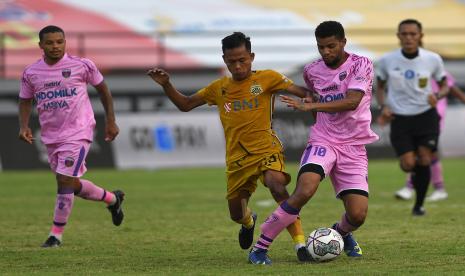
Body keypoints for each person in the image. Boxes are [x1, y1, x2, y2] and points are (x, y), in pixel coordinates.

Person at [147, 32, 311, 261]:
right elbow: (185, 104)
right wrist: (167, 85)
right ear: (224, 60)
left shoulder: (269, 78)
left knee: (277, 186)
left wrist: (311, 102)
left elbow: (304, 92)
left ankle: (300, 245)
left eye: (242, 59)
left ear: (251, 57)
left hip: (266, 150)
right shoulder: (218, 88)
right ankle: (248, 221)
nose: (238, 65)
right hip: (237, 160)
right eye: (232, 61)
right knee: (236, 213)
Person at [248, 20, 378, 265]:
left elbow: (352, 101)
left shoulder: (361, 64)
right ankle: (260, 248)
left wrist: (312, 105)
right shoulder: (312, 70)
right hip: (324, 140)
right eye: (321, 47)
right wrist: (315, 114)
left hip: (353, 147)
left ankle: (341, 233)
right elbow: (312, 96)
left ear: (343, 42)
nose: (326, 52)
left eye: (331, 46)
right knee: (305, 189)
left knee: (358, 215)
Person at [18, 25, 125, 248]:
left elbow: (103, 89)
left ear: (65, 42)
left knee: (64, 181)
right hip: (51, 135)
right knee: (71, 183)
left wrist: (111, 121)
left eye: (59, 41)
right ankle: (113, 199)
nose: (55, 46)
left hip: (79, 131)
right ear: (41, 45)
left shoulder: (82, 65)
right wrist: (24, 126)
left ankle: (55, 236)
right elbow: (25, 100)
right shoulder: (31, 73)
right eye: (50, 42)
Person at [376, 19, 448, 215]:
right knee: (408, 164)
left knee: (425, 158)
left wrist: (438, 95)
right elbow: (380, 86)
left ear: (420, 36)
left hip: (426, 115)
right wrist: (383, 106)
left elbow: (444, 84)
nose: (408, 37)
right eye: (404, 34)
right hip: (400, 118)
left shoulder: (432, 59)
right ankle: (414, 177)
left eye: (412, 34)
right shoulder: (386, 60)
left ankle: (419, 205)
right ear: (398, 36)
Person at [387, 72, 465, 201]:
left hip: (432, 116)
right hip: (414, 115)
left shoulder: (438, 71)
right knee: (425, 154)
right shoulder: (409, 71)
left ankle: (411, 187)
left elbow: (453, 89)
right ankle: (437, 189)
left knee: (421, 152)